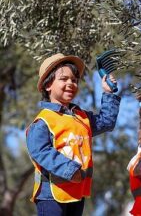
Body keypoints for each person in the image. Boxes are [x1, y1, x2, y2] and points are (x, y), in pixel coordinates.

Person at [26, 53, 121, 216]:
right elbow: (39, 151)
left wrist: (108, 93)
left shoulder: (82, 117)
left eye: (74, 80)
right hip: (51, 196)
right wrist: (70, 170)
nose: (71, 83)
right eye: (64, 79)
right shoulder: (43, 121)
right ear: (48, 85)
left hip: (77, 193)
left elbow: (106, 122)